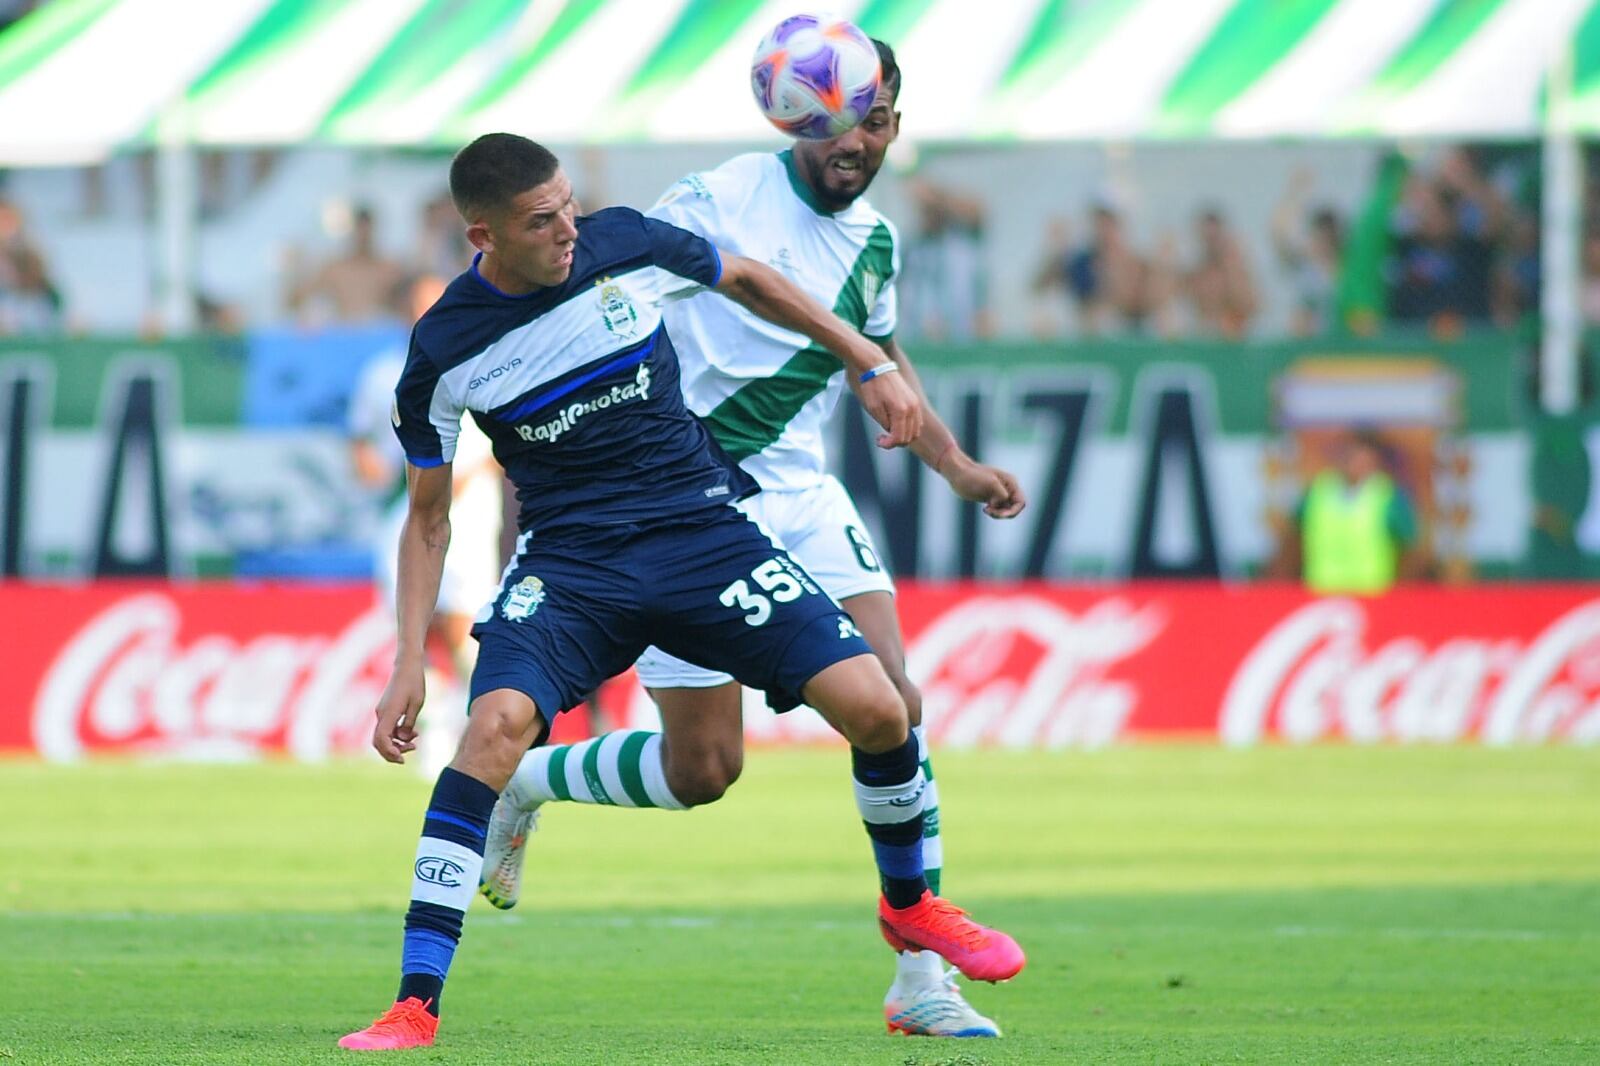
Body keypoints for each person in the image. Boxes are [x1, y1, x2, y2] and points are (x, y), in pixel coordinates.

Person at [338, 133, 1024, 1051]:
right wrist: (402, 664)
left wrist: (866, 356)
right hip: (575, 564)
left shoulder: (620, 242)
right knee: (491, 732)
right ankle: (414, 1004)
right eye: (543, 223)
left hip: (703, 534)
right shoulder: (443, 349)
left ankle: (913, 911)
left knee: (880, 706)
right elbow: (429, 518)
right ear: (483, 236)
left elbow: (751, 280)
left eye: (569, 206)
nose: (568, 232)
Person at [346, 278, 505, 778]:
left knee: (463, 628)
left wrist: (470, 476)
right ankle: (435, 730)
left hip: (471, 512)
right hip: (408, 509)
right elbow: (361, 440)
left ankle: (489, 729)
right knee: (417, 626)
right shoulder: (382, 372)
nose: (427, 314)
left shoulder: (486, 356)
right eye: (418, 306)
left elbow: (508, 441)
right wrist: (369, 466)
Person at [1273, 430, 1422, 594]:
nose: (1357, 465)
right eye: (1353, 458)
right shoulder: (1319, 492)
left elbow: (1409, 544)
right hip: (1322, 589)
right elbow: (1293, 538)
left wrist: (1399, 588)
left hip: (1371, 591)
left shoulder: (1386, 495)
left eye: (1364, 460)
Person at [286, 204, 410, 324]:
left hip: (378, 334)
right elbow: (296, 299)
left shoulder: (389, 270)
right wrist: (295, 269)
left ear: (373, 230)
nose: (363, 236)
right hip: (345, 334)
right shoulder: (336, 269)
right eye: (360, 231)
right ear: (353, 231)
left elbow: (408, 305)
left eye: (366, 231)